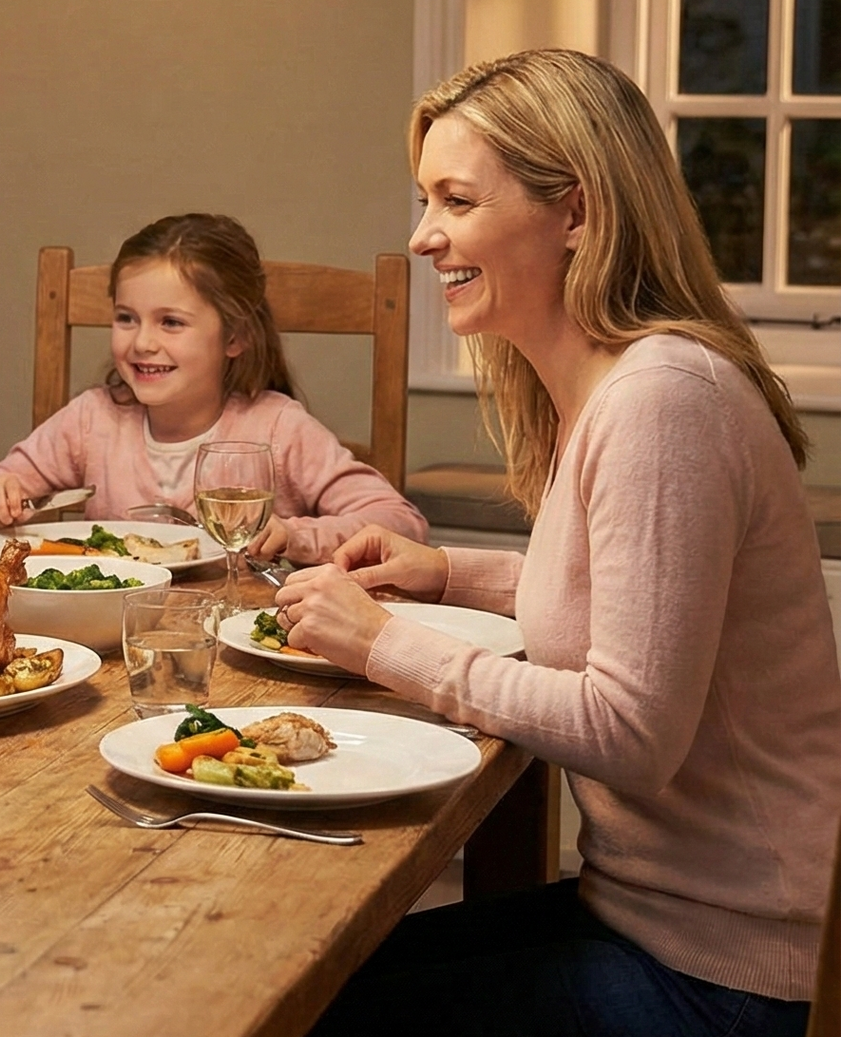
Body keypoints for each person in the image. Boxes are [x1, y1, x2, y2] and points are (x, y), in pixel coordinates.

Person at [278, 50, 841, 1037]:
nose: (421, 237)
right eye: (424, 200)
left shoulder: (661, 400)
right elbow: (633, 596)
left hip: (734, 975)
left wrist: (381, 644)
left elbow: (628, 731)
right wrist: (451, 573)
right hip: (653, 916)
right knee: (304, 975)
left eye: (453, 199)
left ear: (573, 213)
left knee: (297, 1009)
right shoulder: (618, 385)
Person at [0, 213, 426, 563]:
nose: (143, 342)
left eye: (171, 322)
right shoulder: (94, 420)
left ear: (234, 337)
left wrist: (294, 537)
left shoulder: (276, 427)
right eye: (126, 319)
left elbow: (401, 524)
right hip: (116, 642)